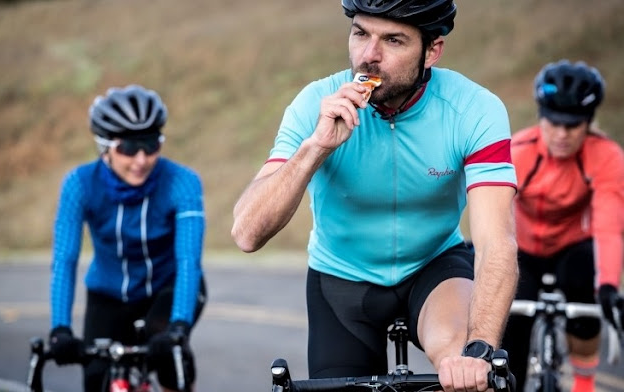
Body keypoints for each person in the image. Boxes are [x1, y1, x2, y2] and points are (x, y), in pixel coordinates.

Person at [231, 1, 519, 391]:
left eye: (394, 40)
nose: (369, 56)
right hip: (342, 277)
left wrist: (480, 350)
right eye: (361, 33)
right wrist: (315, 147)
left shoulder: (473, 110)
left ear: (431, 51)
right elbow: (247, 233)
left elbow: (495, 243)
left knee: (460, 366)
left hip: (434, 268)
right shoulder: (313, 105)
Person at [47, 85, 207, 392]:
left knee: (170, 362)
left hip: (167, 287)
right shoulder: (79, 185)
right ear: (104, 147)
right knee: (96, 379)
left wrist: (179, 326)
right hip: (108, 295)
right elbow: (64, 260)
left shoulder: (183, 183)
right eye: (128, 148)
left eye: (151, 145)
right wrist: (60, 329)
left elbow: (189, 260)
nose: (142, 160)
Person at [504, 60, 624, 392]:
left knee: (586, 277)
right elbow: (496, 215)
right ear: (541, 117)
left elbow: (609, 225)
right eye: (553, 122)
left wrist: (610, 286)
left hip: (572, 247)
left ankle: (583, 382)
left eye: (572, 125)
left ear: (588, 123)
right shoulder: (519, 151)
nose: (561, 134)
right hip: (523, 248)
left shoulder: (606, 156)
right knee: (512, 325)